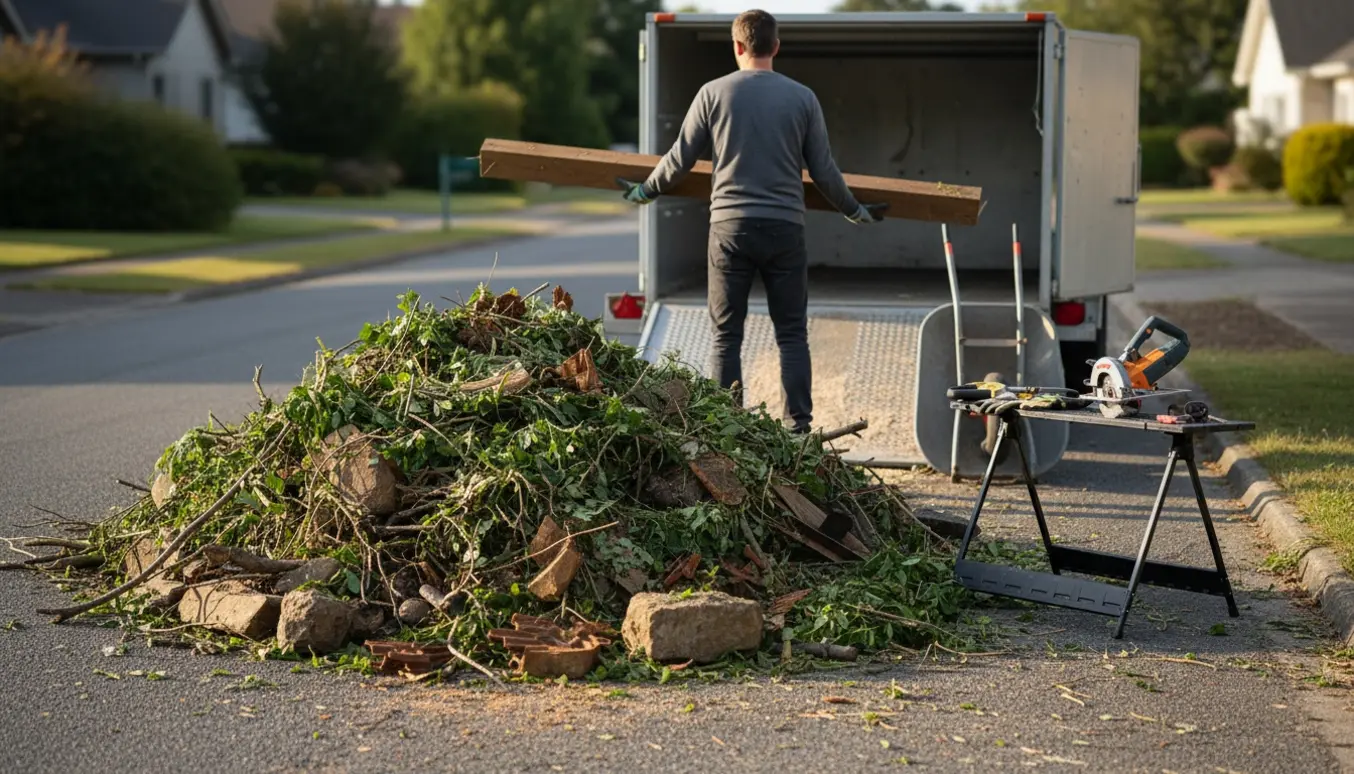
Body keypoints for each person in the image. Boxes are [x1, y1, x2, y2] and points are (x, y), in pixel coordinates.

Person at [619, 9, 886, 434]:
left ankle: (726, 427)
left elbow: (680, 159)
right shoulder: (803, 98)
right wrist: (853, 209)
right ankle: (798, 428)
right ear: (776, 47)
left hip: (730, 230)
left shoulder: (713, 93)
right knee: (792, 335)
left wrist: (645, 190)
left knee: (726, 336)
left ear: (737, 46)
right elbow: (823, 170)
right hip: (784, 230)